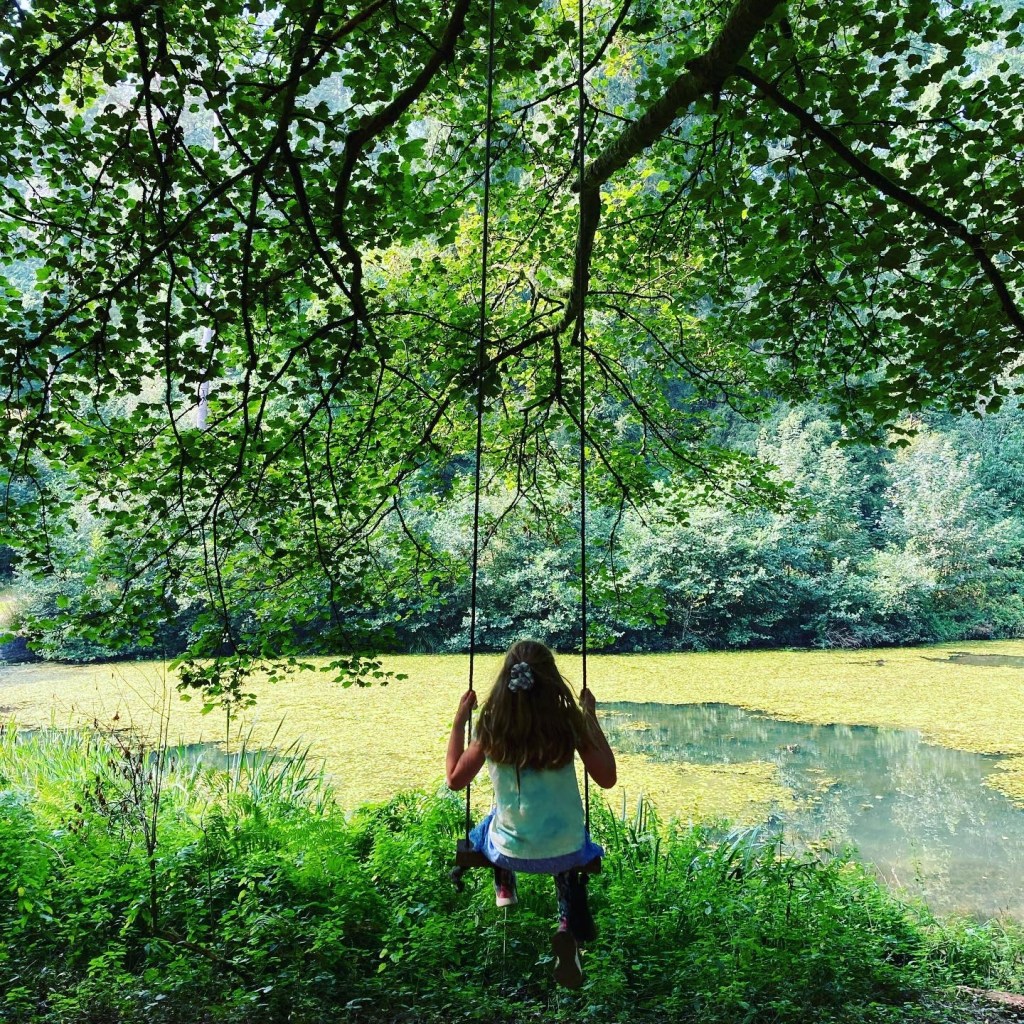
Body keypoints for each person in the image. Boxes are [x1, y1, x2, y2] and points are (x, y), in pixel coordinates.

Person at [446, 640, 617, 990]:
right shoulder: (568, 723)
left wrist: (459, 721)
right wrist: (590, 718)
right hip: (566, 849)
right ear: (551, 679)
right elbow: (607, 777)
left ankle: (505, 884)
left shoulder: (492, 724)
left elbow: (454, 779)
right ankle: (567, 924)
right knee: (566, 845)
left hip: (510, 850)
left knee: (489, 825)